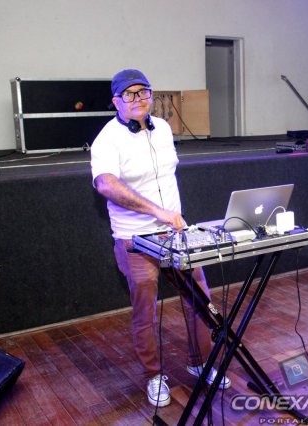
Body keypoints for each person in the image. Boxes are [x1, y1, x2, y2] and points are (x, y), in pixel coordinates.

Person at [90, 69, 230, 408]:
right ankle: (154, 375)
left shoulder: (163, 128)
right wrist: (157, 212)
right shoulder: (107, 139)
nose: (138, 99)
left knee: (200, 300)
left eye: (144, 92)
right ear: (116, 102)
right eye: (130, 94)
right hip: (135, 240)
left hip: (175, 234)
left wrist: (170, 217)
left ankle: (201, 363)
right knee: (146, 313)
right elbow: (106, 184)